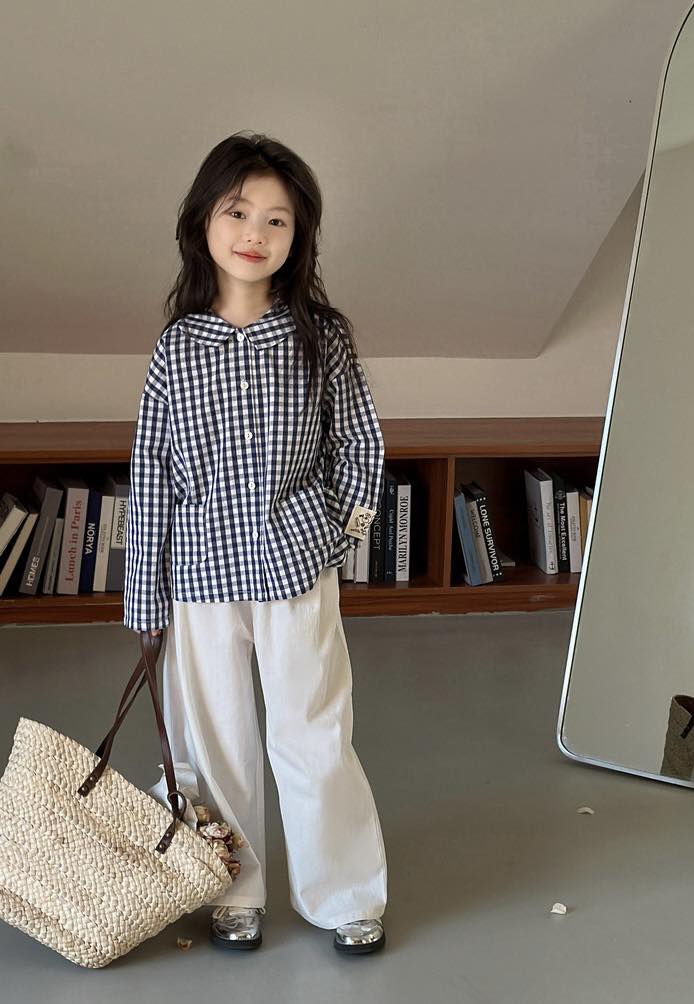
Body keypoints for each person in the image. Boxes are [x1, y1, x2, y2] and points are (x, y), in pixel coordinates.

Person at [123, 131, 387, 955]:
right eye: (238, 212)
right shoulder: (177, 348)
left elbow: (361, 443)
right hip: (200, 575)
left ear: (297, 237)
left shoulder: (320, 335)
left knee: (314, 732)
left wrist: (337, 534)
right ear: (203, 218)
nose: (255, 233)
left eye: (277, 220)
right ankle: (232, 888)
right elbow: (151, 473)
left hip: (296, 566)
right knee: (214, 743)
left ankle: (345, 895)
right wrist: (144, 594)